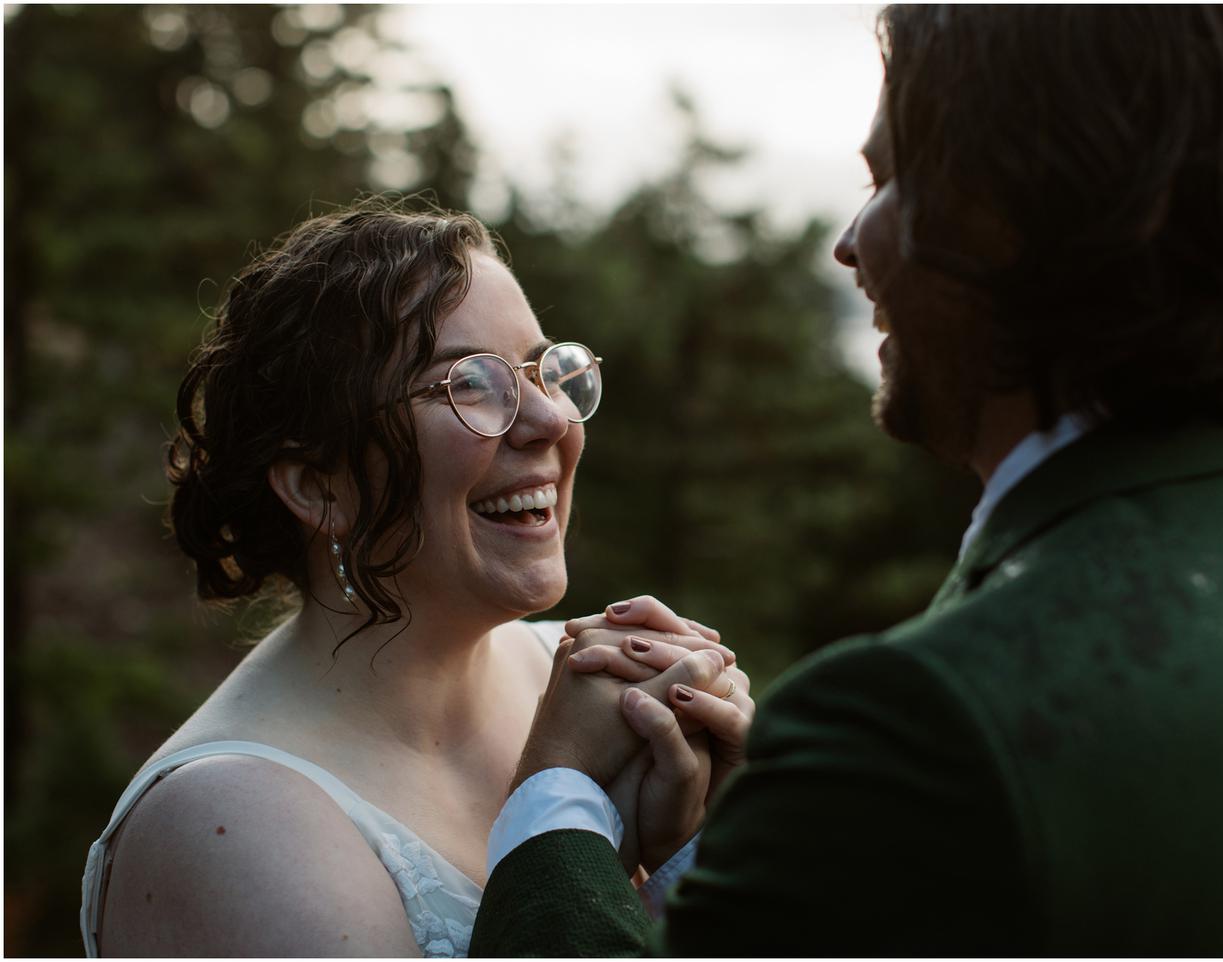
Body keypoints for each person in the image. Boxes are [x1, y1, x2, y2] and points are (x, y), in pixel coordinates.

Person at [470, 6, 1223, 956]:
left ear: (1011, 215)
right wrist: (757, 862)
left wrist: (556, 800)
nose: (851, 244)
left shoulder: (921, 726)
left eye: (887, 181)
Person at [77, 201, 750, 957]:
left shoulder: (587, 687)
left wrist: (699, 850)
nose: (550, 420)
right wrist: (559, 800)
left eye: (544, 369)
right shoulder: (222, 824)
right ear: (318, 486)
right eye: (468, 385)